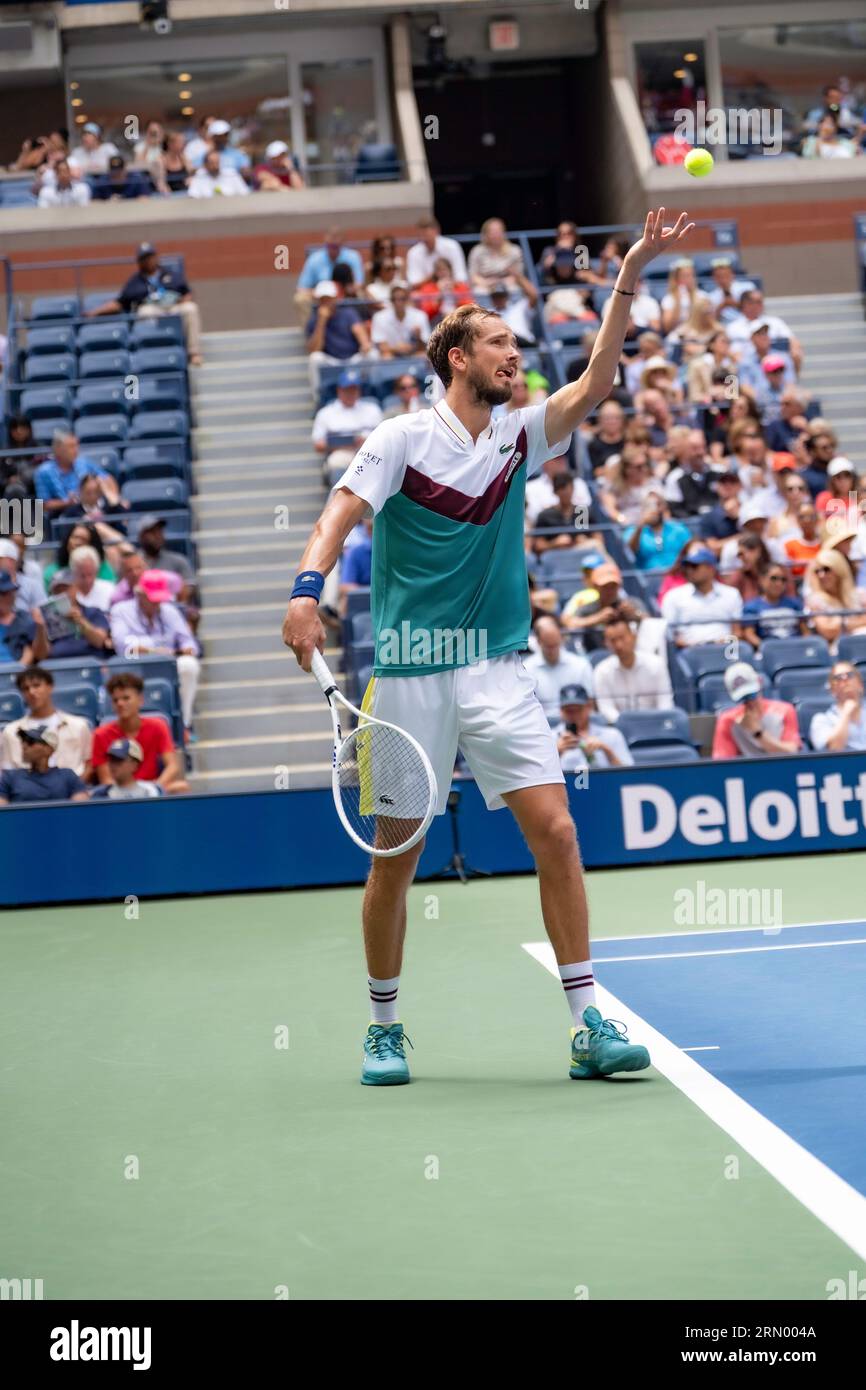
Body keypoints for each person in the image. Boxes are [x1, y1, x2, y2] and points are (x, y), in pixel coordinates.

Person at [281, 206, 694, 1086]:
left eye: (516, 342)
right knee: (396, 859)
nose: (516, 354)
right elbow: (338, 516)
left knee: (557, 829)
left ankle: (587, 1024)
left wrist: (628, 275)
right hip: (409, 679)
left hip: (497, 670)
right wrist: (307, 590)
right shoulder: (399, 440)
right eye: (500, 343)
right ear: (458, 358)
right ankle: (384, 1026)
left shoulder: (517, 435)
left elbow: (597, 380)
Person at [85, 243, 203, 366]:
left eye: (150, 256)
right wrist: (96, 312)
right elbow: (120, 303)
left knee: (191, 308)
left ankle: (194, 353)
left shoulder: (171, 274)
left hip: (173, 306)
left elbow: (187, 292)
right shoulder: (135, 281)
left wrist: (183, 300)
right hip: (153, 309)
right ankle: (153, 352)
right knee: (144, 312)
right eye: (144, 258)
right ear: (139, 262)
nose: (148, 260)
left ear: (156, 257)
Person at [110, 572, 201, 731]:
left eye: (159, 599)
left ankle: (184, 725)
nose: (157, 603)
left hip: (167, 665)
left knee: (189, 664)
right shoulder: (121, 610)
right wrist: (153, 650)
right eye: (152, 599)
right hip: (134, 666)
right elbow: (122, 647)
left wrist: (187, 649)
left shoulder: (169, 611)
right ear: (140, 594)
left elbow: (188, 641)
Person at [92, 672, 188, 794]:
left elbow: (172, 766)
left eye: (126, 698)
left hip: (151, 787)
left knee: (181, 787)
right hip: (118, 792)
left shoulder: (158, 726)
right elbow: (106, 779)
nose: (120, 703)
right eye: (115, 700)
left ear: (140, 700)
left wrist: (154, 789)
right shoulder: (100, 734)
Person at [1, 667, 92, 777]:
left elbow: (89, 764)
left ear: (50, 687)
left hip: (73, 785)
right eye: (25, 689)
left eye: (36, 685)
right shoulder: (11, 732)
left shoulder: (78, 726)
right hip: (27, 786)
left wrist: (76, 786)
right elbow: (7, 772)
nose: (31, 692)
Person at [592, 614, 674, 722]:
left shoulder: (656, 665)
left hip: (655, 724)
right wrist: (627, 724)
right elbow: (606, 709)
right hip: (620, 727)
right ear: (606, 644)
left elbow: (666, 704)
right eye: (613, 640)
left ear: (634, 637)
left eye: (622, 638)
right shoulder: (601, 671)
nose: (619, 645)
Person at [312, 369, 383, 487]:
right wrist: (343, 442)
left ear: (359, 390)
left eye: (354, 389)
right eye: (347, 389)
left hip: (369, 453)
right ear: (339, 390)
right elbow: (318, 445)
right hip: (341, 453)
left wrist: (365, 441)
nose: (351, 393)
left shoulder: (372, 409)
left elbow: (384, 438)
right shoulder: (326, 413)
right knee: (336, 462)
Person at [711, 664, 800, 759]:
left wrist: (758, 733)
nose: (749, 702)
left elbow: (791, 753)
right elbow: (723, 762)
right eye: (743, 698)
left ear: (759, 683)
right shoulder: (727, 720)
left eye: (752, 695)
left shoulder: (785, 711)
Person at [661, 545, 743, 646]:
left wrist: (722, 643)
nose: (689, 570)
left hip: (725, 649)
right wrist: (691, 645)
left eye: (694, 566)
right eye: (687, 566)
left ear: (710, 568)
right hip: (688, 651)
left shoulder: (732, 594)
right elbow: (670, 635)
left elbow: (737, 632)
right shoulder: (673, 596)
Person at [306, 280, 374, 392]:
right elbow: (315, 349)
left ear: (335, 298)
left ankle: (370, 390)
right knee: (315, 358)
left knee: (372, 354)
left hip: (353, 358)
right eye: (322, 299)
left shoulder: (348, 313)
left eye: (329, 298)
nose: (326, 302)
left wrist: (365, 344)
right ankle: (319, 395)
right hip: (332, 361)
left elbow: (359, 332)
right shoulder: (313, 321)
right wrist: (321, 321)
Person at [522, 615, 595, 719]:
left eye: (555, 645)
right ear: (538, 642)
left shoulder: (581, 665)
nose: (553, 651)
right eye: (548, 646)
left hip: (576, 721)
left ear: (561, 638)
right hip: (541, 723)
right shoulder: (527, 669)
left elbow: (590, 704)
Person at [33, 431, 118, 520]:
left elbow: (107, 478)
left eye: (77, 445)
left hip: (93, 508)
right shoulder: (44, 472)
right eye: (71, 446)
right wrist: (67, 502)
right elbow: (43, 505)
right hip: (65, 515)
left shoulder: (83, 463)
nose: (76, 450)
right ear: (58, 450)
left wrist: (115, 499)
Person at [0, 727, 89, 805]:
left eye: (30, 742)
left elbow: (80, 809)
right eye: (23, 742)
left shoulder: (68, 776)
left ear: (48, 749)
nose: (24, 746)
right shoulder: (10, 777)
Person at [554, 683, 633, 772]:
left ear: (589, 707)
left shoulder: (612, 735)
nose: (574, 714)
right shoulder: (549, 738)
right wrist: (555, 752)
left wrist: (606, 750)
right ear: (560, 711)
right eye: (568, 710)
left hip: (603, 780)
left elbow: (629, 773)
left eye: (578, 709)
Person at [42, 568, 113, 659]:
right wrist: (40, 628)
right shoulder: (47, 618)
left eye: (66, 589)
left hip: (90, 662)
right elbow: (42, 655)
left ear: (76, 588)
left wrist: (80, 621)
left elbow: (99, 642)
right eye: (58, 591)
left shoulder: (93, 612)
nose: (62, 595)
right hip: (58, 663)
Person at [803, 548, 866, 649]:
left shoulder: (859, 594)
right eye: (817, 571)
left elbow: (835, 627)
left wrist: (840, 623)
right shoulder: (815, 600)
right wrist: (857, 621)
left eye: (826, 569)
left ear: (839, 569)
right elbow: (828, 631)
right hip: (836, 651)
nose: (821, 575)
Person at [295, 228, 366, 314]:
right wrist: (320, 294)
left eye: (335, 246)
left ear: (342, 243)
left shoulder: (353, 256)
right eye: (329, 246)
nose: (332, 249)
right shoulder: (314, 259)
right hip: (321, 297)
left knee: (362, 294)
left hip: (346, 295)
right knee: (300, 298)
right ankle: (311, 323)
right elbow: (301, 288)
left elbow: (359, 284)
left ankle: (359, 321)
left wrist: (342, 293)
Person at [467, 218, 535, 303]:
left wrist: (502, 282)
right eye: (492, 232)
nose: (496, 235)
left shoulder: (514, 251)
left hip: (508, 284)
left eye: (498, 231)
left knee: (515, 290)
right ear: (485, 234)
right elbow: (473, 276)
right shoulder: (477, 251)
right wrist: (486, 283)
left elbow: (518, 275)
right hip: (484, 285)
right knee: (478, 291)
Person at [739, 565, 806, 647]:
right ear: (762, 580)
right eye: (774, 578)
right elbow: (749, 635)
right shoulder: (751, 607)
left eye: (783, 580)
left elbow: (805, 632)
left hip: (795, 648)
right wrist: (767, 648)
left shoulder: (795, 604)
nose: (779, 583)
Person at [624, 491, 692, 571]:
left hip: (676, 575)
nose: (654, 509)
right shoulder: (632, 531)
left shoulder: (678, 529)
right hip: (647, 576)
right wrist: (640, 526)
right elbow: (629, 552)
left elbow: (691, 551)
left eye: (658, 505)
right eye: (648, 506)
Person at [131, 515, 195, 596]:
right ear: (141, 536)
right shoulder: (132, 563)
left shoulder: (178, 560)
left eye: (160, 531)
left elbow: (190, 587)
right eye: (152, 532)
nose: (158, 536)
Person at [810, 663, 866, 752]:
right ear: (832, 690)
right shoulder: (821, 720)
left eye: (850, 675)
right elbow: (834, 749)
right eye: (838, 677)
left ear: (860, 685)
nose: (845, 679)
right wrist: (846, 713)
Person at [89, 738, 164, 800]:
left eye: (118, 760)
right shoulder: (100, 794)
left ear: (134, 764)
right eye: (111, 760)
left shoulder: (151, 791)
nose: (113, 765)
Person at [370, 285, 430, 359]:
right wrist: (397, 349)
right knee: (386, 356)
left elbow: (425, 346)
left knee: (423, 356)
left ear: (407, 300)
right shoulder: (379, 317)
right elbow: (381, 346)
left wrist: (418, 337)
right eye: (394, 299)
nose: (398, 302)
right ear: (391, 301)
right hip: (391, 354)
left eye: (402, 299)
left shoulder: (420, 316)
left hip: (413, 353)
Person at [0, 571, 47, 665]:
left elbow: (36, 655)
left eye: (11, 592)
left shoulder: (26, 620)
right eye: (3, 593)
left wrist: (40, 628)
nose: (9, 597)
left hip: (15, 671)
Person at [405, 217, 468, 286]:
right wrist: (433, 277)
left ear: (436, 231)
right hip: (425, 290)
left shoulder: (452, 246)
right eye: (421, 235)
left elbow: (461, 277)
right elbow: (413, 283)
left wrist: (447, 284)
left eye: (426, 235)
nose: (424, 239)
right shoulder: (413, 252)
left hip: (452, 288)